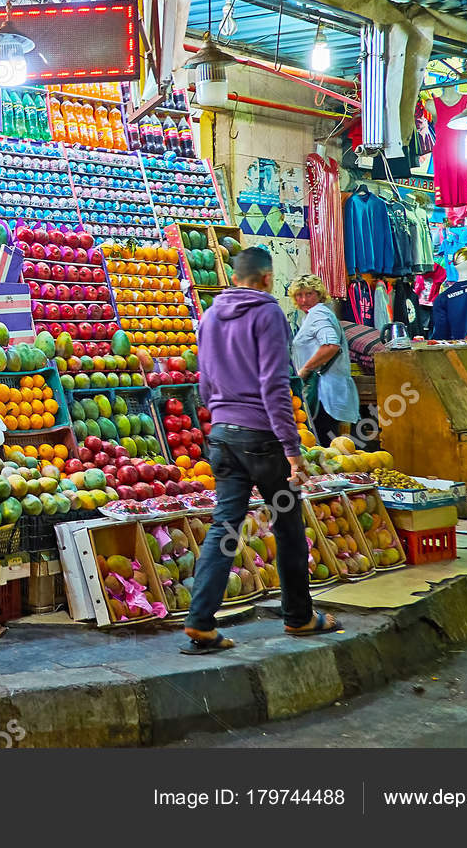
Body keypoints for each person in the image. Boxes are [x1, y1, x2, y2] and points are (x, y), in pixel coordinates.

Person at [183, 246, 336, 653]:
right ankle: (299, 617)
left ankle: (200, 622)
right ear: (267, 277)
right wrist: (292, 449)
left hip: (223, 435)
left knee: (224, 527)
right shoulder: (268, 312)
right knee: (287, 525)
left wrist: (219, 418)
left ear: (235, 276)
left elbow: (204, 382)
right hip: (263, 438)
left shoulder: (210, 314)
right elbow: (274, 385)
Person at [287, 273, 359, 446]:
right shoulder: (314, 315)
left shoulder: (318, 314)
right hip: (329, 390)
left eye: (309, 294)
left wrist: (304, 370)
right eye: (299, 295)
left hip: (324, 392)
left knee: (325, 444)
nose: (304, 299)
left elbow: (330, 345)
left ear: (319, 295)